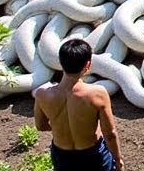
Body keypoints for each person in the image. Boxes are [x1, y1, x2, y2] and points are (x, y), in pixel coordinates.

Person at [33, 38, 124, 171]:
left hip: (62, 155)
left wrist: (61, 127)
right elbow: (110, 133)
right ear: (87, 65)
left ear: (60, 63)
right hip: (92, 154)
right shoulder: (97, 94)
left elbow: (40, 125)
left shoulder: (42, 94)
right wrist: (118, 160)